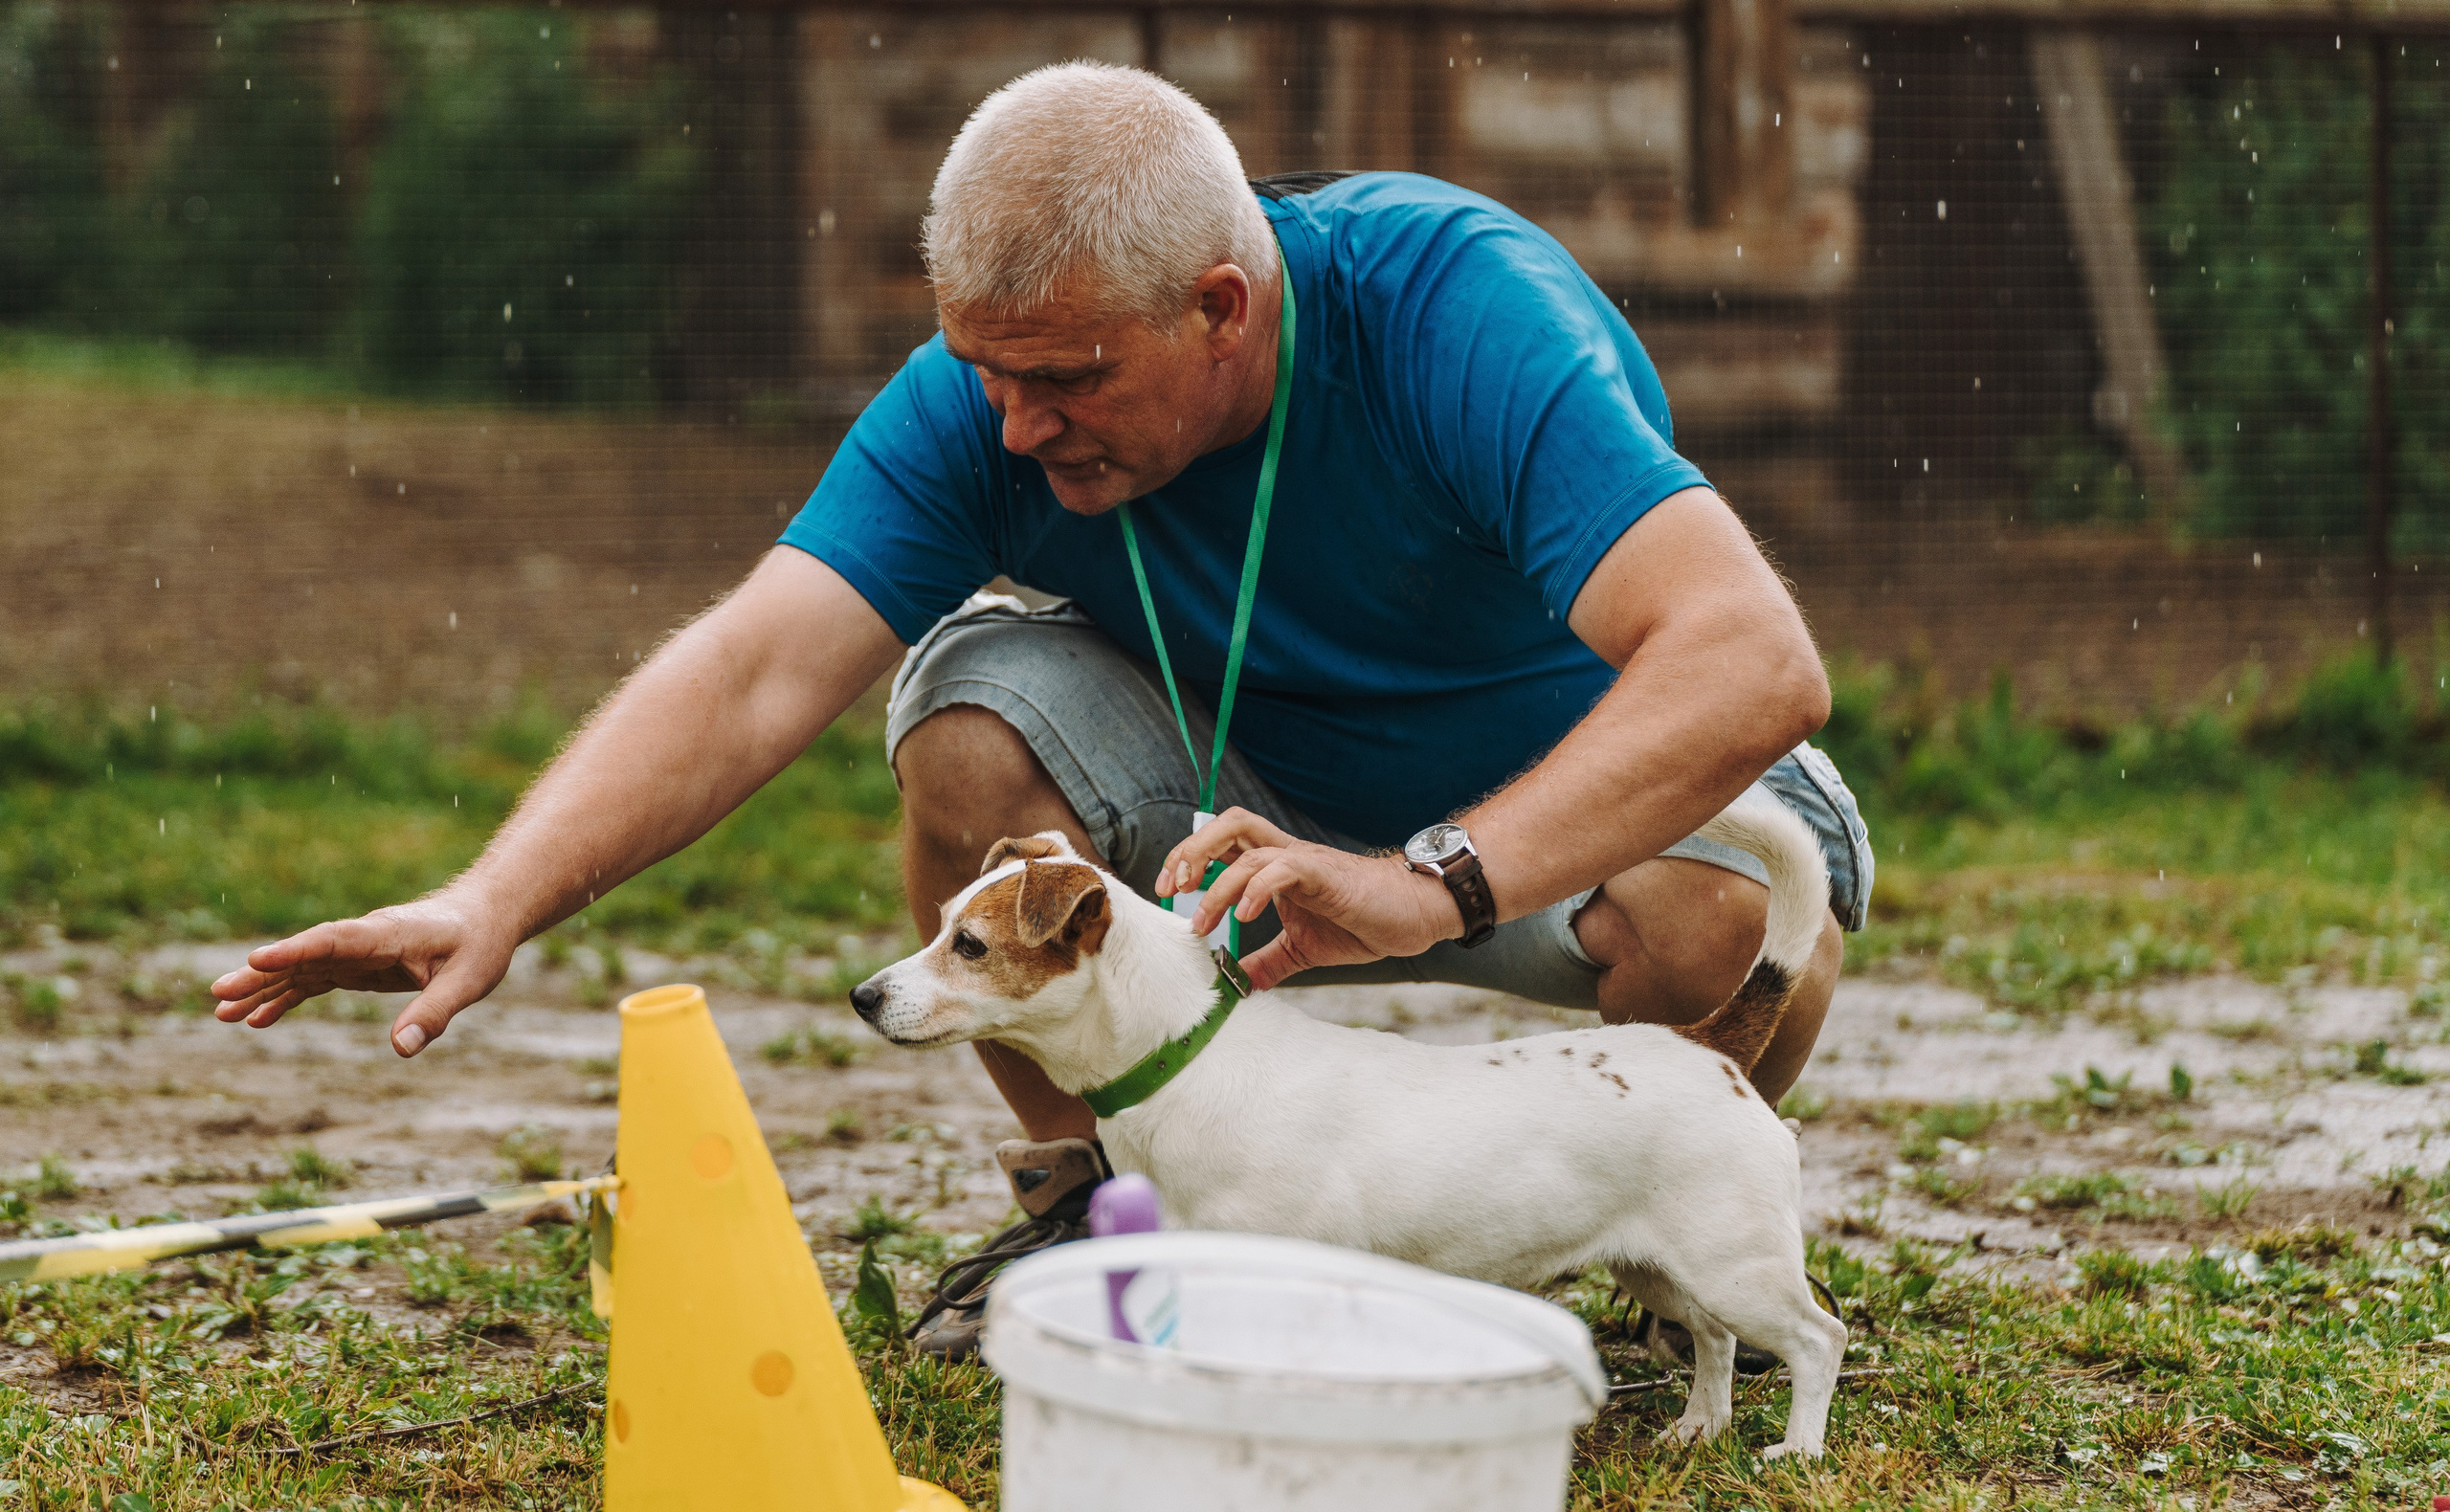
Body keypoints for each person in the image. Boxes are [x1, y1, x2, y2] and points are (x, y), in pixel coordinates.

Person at [210, 62, 1872, 1356]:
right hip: (1244, 830)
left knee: (1719, 912)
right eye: (984, 374)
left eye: (1065, 382)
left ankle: (1652, 1236)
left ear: (1222, 308)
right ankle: (1097, 1213)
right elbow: (754, 666)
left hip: (1539, 819)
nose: (1011, 431)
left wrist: (1433, 877)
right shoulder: (997, 386)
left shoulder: (1457, 310)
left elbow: (1753, 664)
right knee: (970, 735)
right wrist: (490, 897)